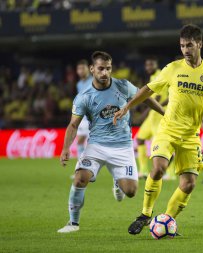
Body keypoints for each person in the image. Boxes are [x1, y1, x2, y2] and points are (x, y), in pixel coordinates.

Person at [113, 24, 203, 235]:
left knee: (189, 184)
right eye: (183, 45)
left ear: (200, 44)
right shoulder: (172, 68)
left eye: (190, 45)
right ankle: (145, 214)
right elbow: (148, 89)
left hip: (191, 135)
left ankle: (166, 219)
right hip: (167, 129)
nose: (186, 50)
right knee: (158, 168)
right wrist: (127, 107)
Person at [57, 51, 165, 233]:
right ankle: (72, 223)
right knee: (80, 178)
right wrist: (66, 148)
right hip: (96, 146)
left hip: (123, 146)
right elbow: (73, 125)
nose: (105, 73)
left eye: (108, 68)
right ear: (92, 69)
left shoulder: (123, 86)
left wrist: (165, 113)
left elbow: (145, 98)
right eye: (100, 69)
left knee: (130, 191)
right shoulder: (84, 96)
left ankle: (117, 180)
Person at [136, 57, 175, 180]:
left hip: (159, 115)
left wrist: (144, 113)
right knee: (140, 139)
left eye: (151, 64)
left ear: (156, 65)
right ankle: (143, 171)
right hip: (152, 116)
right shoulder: (153, 77)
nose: (148, 67)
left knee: (161, 146)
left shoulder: (159, 75)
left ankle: (171, 174)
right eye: (147, 65)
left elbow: (157, 99)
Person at [75, 60, 92, 158]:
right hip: (83, 117)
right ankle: (81, 168)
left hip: (94, 117)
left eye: (82, 68)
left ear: (88, 69)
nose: (80, 71)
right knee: (80, 141)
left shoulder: (94, 81)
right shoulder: (79, 84)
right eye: (78, 69)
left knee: (93, 145)